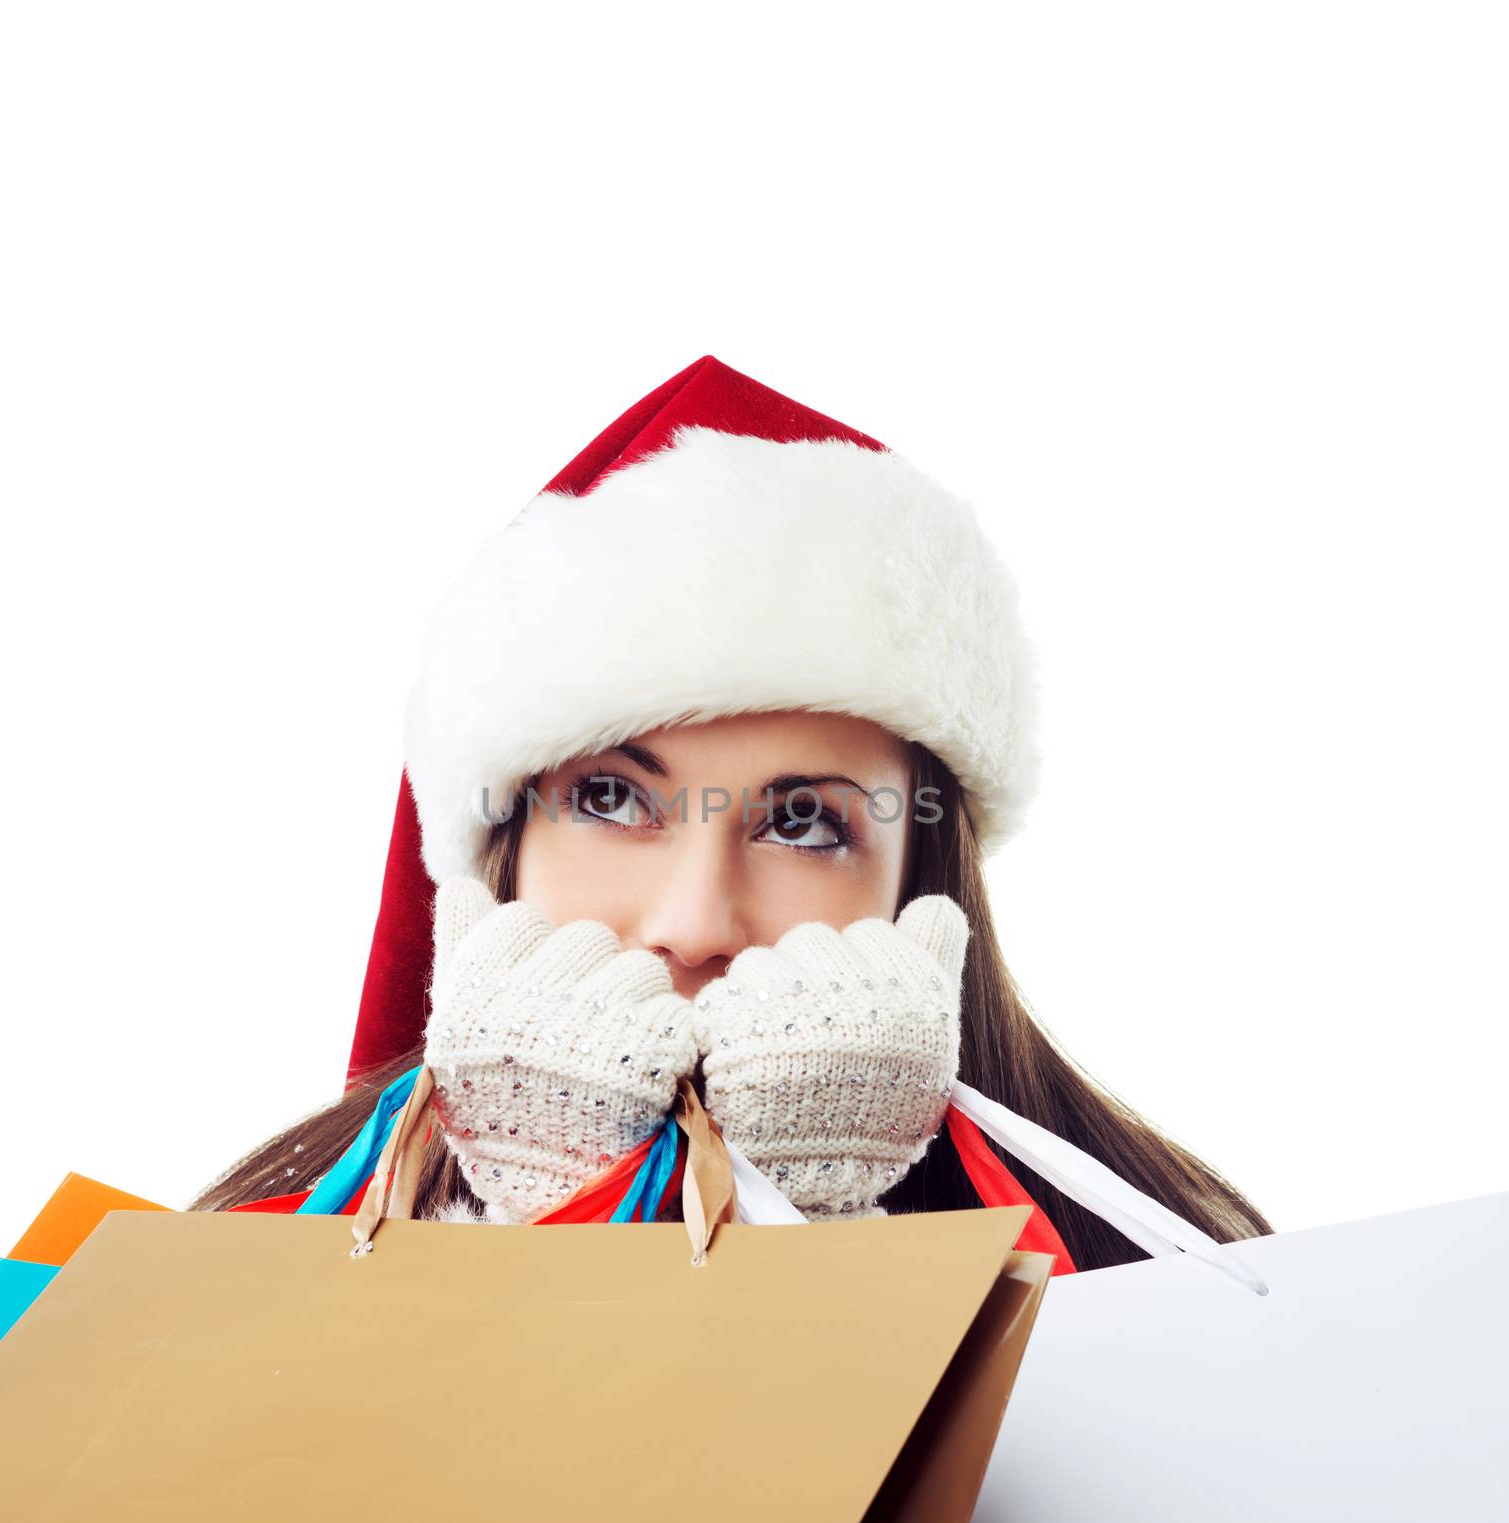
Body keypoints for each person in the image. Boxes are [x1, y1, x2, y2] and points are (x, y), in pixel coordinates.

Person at [192, 355, 1271, 1271]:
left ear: (920, 883)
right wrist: (531, 1219)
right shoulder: (217, 1275)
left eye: (802, 824)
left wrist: (818, 1234)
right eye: (610, 798)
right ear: (498, 853)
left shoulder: (1179, 1271)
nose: (697, 923)